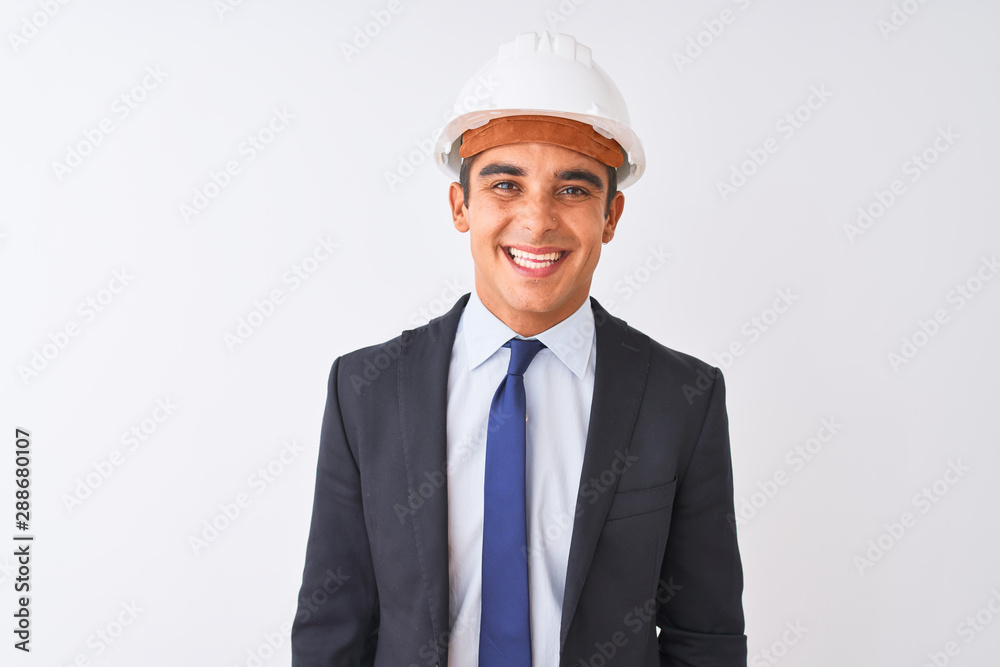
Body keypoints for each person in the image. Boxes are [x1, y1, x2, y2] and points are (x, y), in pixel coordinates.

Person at [292, 31, 746, 666]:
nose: (537, 221)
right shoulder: (366, 390)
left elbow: (707, 637)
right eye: (506, 185)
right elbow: (331, 629)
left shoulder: (682, 399)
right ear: (461, 205)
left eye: (573, 189)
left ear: (611, 216)